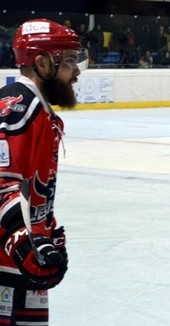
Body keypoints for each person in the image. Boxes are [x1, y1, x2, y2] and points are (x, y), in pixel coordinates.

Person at [0, 18, 87, 325]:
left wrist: (48, 234)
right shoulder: (19, 107)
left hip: (21, 260)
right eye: (71, 61)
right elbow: (1, 187)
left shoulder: (38, 108)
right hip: (7, 264)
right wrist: (24, 245)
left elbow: (30, 188)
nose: (76, 73)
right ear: (42, 63)